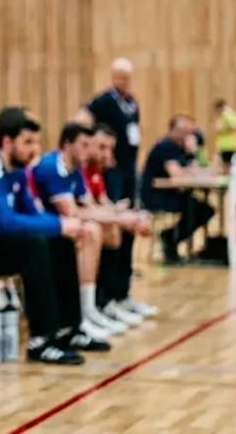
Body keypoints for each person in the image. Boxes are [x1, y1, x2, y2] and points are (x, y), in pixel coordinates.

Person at [0, 106, 101, 365]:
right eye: (27, 142)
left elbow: (33, 214)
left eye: (36, 142)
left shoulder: (17, 171)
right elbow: (5, 220)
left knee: (59, 238)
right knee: (34, 244)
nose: (34, 148)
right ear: (7, 141)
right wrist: (59, 224)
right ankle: (40, 341)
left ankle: (69, 329)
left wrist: (66, 224)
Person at [30, 123, 151, 341]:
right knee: (92, 231)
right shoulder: (53, 166)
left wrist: (124, 216)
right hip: (45, 229)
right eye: (84, 145)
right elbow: (72, 211)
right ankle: (86, 310)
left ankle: (103, 302)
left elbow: (90, 205)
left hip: (59, 226)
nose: (88, 151)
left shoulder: (76, 168)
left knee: (104, 228)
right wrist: (120, 218)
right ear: (67, 145)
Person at [84, 124, 155, 328]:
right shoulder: (81, 171)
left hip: (90, 222)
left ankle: (119, 297)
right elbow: (87, 208)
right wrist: (120, 216)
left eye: (110, 149)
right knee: (111, 229)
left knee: (124, 226)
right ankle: (102, 301)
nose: (107, 154)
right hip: (78, 228)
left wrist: (130, 215)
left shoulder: (96, 171)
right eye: (102, 147)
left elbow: (104, 204)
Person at [140, 116, 216, 263]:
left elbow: (195, 171)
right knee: (195, 209)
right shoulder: (165, 146)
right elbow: (177, 176)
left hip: (173, 193)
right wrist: (190, 157)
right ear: (172, 130)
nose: (185, 136)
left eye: (188, 132)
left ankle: (172, 239)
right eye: (181, 131)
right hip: (157, 195)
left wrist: (194, 154)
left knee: (205, 209)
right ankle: (168, 239)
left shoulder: (180, 148)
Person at [213, 99, 236, 167]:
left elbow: (234, 127)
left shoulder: (229, 116)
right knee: (223, 166)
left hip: (230, 145)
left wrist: (223, 127)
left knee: (231, 166)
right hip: (223, 146)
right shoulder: (221, 117)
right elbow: (217, 129)